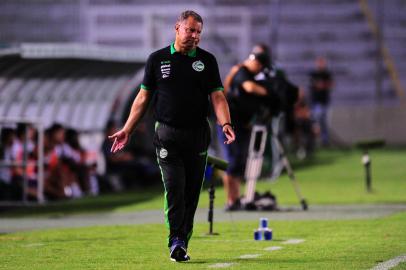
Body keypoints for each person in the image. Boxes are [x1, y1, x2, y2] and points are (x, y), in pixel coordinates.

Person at [108, 10, 235, 262]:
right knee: (174, 187)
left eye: (199, 31)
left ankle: (182, 241)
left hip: (198, 134)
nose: (195, 36)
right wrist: (127, 129)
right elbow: (143, 98)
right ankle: (176, 240)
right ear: (177, 28)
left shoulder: (207, 61)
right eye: (190, 30)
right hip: (167, 134)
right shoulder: (157, 60)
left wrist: (226, 123)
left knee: (190, 194)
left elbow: (218, 96)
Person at [221, 52, 269, 211]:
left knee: (239, 161)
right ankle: (230, 200)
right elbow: (248, 87)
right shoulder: (243, 72)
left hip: (241, 124)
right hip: (230, 124)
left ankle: (235, 198)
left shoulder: (243, 72)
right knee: (232, 161)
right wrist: (267, 92)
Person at [309, 56, 333, 146]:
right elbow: (314, 85)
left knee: (324, 122)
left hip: (324, 101)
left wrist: (322, 85)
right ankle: (313, 141)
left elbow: (330, 84)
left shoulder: (326, 74)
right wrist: (321, 85)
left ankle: (324, 141)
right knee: (316, 121)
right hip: (315, 102)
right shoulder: (313, 74)